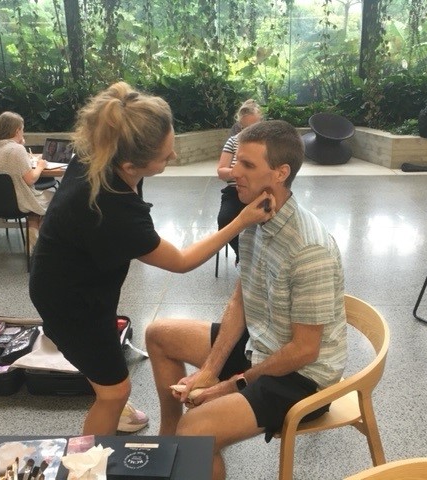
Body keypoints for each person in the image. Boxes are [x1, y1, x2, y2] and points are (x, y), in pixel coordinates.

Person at [28, 81, 274, 436]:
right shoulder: (111, 207)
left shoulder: (107, 144)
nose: (172, 157)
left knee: (107, 374)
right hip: (69, 299)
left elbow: (118, 90)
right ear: (131, 165)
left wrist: (127, 96)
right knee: (116, 391)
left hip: (73, 271)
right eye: (165, 156)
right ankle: (87, 464)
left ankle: (107, 393)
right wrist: (242, 220)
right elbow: (182, 260)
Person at [146, 120, 347, 480]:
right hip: (263, 345)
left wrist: (225, 386)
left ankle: (185, 445)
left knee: (196, 430)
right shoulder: (256, 215)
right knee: (160, 334)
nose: (233, 171)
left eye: (248, 165)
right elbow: (241, 299)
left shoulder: (309, 248)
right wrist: (207, 371)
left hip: (302, 376)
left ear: (281, 173)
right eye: (236, 161)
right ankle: (169, 445)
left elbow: (305, 350)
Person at [0, 111, 53, 250]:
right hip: (19, 200)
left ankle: (33, 239)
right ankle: (39, 242)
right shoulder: (16, 150)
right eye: (22, 129)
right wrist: (40, 166)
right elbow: (30, 180)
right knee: (55, 198)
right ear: (17, 130)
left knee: (35, 208)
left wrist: (19, 143)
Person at [216, 99, 263, 262]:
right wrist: (239, 173)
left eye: (254, 127)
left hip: (258, 192)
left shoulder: (267, 143)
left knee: (270, 220)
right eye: (245, 128)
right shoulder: (233, 141)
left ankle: (261, 258)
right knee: (224, 220)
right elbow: (221, 171)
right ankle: (244, 257)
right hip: (234, 192)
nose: (249, 132)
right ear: (240, 126)